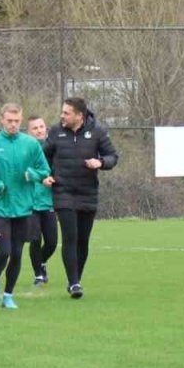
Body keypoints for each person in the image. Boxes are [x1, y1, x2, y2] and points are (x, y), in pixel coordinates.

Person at [0, 104, 50, 309]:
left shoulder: (30, 144)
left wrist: (33, 175)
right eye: (9, 121)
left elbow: (44, 170)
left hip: (23, 207)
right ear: (2, 120)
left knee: (17, 253)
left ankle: (8, 295)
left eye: (17, 121)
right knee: (4, 251)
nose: (13, 124)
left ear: (21, 120)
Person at [43, 97, 119, 299]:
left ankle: (76, 279)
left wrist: (100, 162)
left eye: (66, 113)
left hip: (87, 193)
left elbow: (112, 157)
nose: (62, 116)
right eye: (62, 112)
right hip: (63, 192)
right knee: (70, 237)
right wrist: (46, 175)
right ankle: (74, 283)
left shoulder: (97, 132)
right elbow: (43, 156)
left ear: (79, 115)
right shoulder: (56, 132)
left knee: (83, 240)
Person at [26, 115, 58, 285]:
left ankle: (42, 261)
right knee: (35, 239)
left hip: (48, 202)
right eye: (35, 128)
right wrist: (40, 179)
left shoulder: (53, 148)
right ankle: (38, 274)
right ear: (28, 132)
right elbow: (23, 172)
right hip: (30, 202)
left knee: (52, 242)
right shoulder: (25, 149)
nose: (39, 130)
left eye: (41, 127)